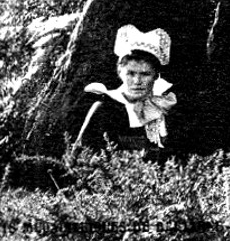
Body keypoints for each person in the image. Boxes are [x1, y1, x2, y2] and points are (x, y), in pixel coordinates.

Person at [72, 25, 177, 159]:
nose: (137, 81)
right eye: (131, 74)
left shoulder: (163, 108)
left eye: (145, 74)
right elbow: (81, 158)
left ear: (156, 76)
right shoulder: (105, 108)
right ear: (120, 73)